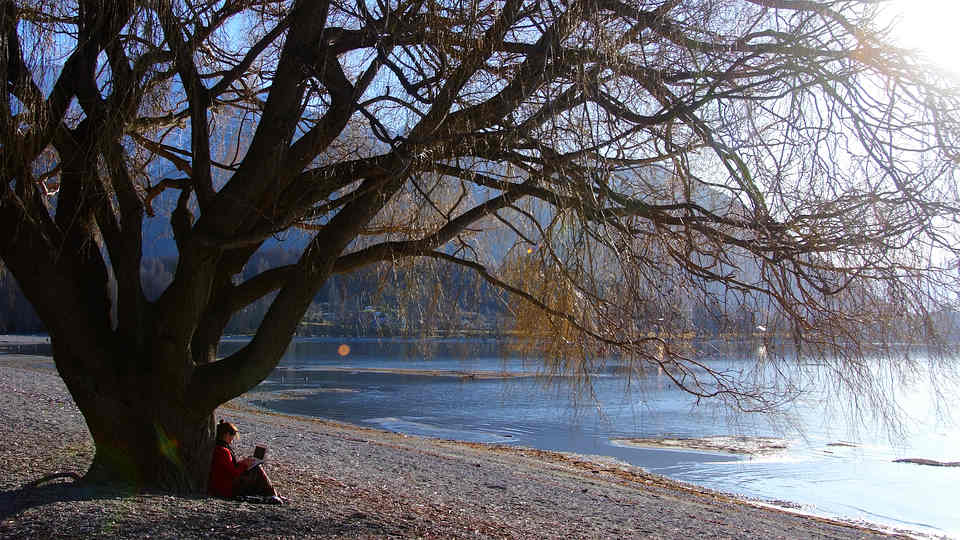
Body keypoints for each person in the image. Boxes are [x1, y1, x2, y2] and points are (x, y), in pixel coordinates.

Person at [208, 419, 285, 504]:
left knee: (255, 470)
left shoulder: (217, 447)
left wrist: (243, 463)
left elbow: (228, 468)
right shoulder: (223, 450)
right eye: (232, 435)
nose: (232, 438)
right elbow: (232, 473)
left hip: (221, 485)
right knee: (257, 469)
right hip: (227, 488)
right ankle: (273, 494)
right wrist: (244, 465)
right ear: (226, 434)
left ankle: (273, 494)